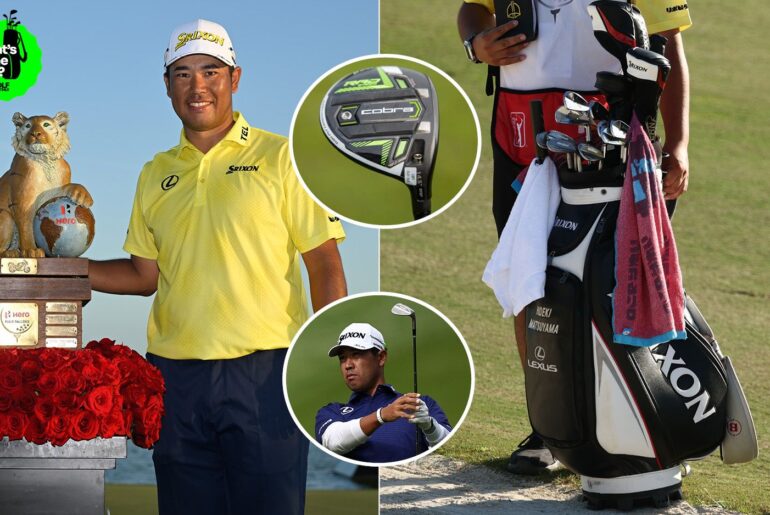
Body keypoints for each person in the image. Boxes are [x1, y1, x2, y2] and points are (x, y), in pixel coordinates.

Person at [89, 19, 347, 515]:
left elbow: (323, 262)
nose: (198, 86)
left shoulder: (284, 156)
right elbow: (144, 277)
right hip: (174, 379)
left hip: (265, 372)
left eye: (211, 70)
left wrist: (331, 350)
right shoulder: (154, 172)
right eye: (182, 74)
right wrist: (64, 269)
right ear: (167, 86)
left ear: (235, 77)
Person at [458, 1, 692, 474]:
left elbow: (669, 48)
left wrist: (679, 142)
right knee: (532, 278)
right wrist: (475, 45)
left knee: (618, 278)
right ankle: (551, 426)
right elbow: (472, 9)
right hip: (521, 133)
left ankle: (634, 420)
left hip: (613, 128)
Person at [316, 323, 451, 463]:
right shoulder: (332, 412)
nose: (348, 365)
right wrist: (381, 415)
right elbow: (333, 442)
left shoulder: (419, 404)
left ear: (381, 357)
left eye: (356, 355)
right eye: (342, 358)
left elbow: (449, 452)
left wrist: (429, 426)